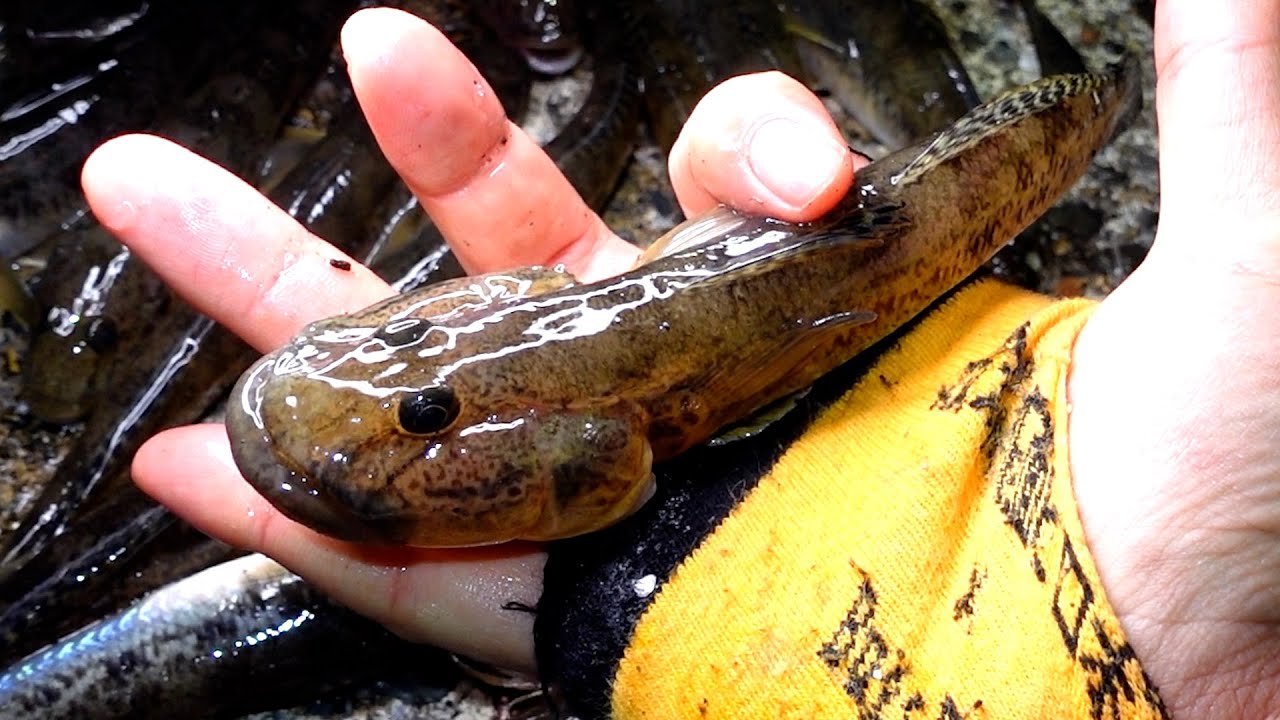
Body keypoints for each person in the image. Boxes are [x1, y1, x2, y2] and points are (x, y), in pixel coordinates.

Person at [77, 1, 1280, 717]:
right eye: (410, 359)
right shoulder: (571, 381)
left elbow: (598, 469)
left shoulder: (593, 418)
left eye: (424, 398)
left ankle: (1102, 90)